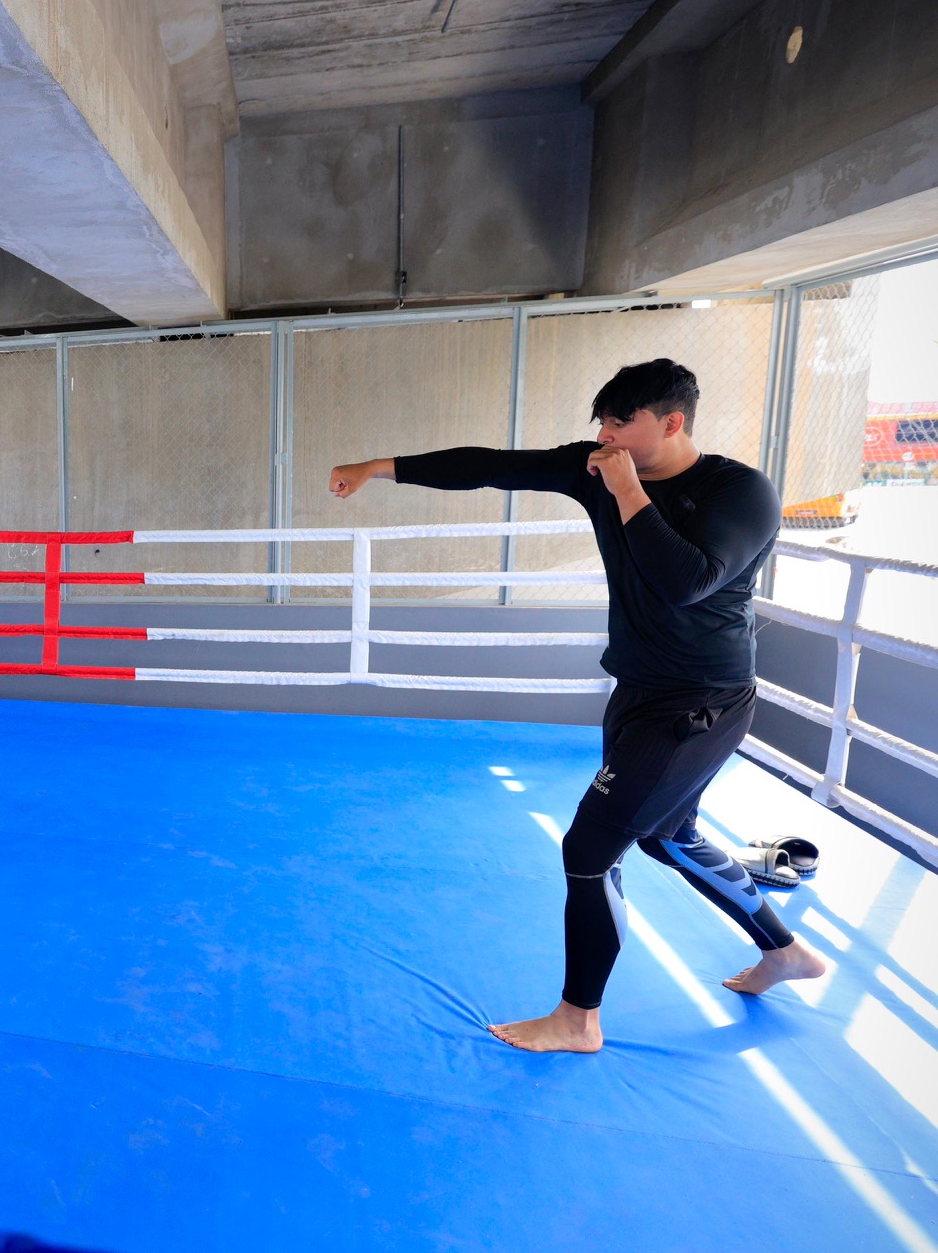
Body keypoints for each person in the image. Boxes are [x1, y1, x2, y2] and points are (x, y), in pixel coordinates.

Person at [328, 358, 827, 1053]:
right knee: (668, 836)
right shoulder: (598, 467)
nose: (606, 435)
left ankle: (578, 1019)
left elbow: (686, 582)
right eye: (602, 421)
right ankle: (787, 952)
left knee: (590, 849)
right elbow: (491, 465)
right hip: (638, 690)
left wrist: (628, 492)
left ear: (672, 422)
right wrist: (378, 467)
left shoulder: (738, 491)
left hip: (702, 702)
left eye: (622, 422)